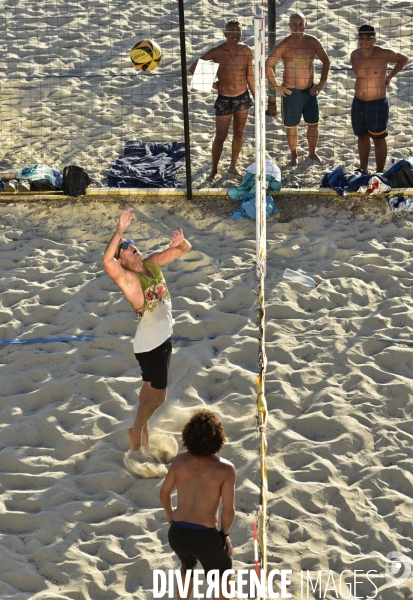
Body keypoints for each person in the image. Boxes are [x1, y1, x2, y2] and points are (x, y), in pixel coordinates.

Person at [102, 208, 191, 452]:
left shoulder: (152, 265)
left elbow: (185, 250)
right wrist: (120, 229)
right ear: (122, 262)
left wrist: (181, 242)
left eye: (131, 242)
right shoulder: (128, 280)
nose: (132, 245)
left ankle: (143, 432)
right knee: (159, 397)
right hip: (154, 345)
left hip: (150, 343)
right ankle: (135, 430)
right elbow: (106, 261)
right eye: (125, 247)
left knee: (149, 390)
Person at [160, 409, 236, 600]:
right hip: (205, 536)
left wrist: (170, 514)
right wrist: (224, 535)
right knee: (223, 573)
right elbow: (228, 512)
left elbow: (164, 492)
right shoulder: (226, 469)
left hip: (177, 534)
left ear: (188, 435)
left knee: (187, 567)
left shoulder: (178, 461)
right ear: (217, 438)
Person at [189, 18, 255, 182]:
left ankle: (232, 166)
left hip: (242, 98)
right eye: (231, 31)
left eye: (237, 31)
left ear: (241, 33)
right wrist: (211, 83)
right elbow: (193, 67)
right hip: (224, 99)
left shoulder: (247, 51)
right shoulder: (217, 51)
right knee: (220, 136)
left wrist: (257, 96)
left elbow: (250, 76)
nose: (235, 34)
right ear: (225, 34)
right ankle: (214, 169)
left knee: (239, 133)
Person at [265, 12, 330, 166]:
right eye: (294, 24)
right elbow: (268, 65)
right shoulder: (284, 44)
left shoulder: (312, 42)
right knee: (292, 126)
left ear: (306, 24)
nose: (298, 27)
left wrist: (321, 83)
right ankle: (294, 155)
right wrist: (276, 87)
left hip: (310, 90)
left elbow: (326, 61)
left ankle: (312, 153)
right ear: (289, 26)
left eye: (301, 24)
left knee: (313, 124)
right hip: (291, 92)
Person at [351, 24, 408, 174]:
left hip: (377, 103)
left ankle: (379, 172)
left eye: (367, 38)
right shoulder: (354, 55)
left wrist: (390, 76)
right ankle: (363, 169)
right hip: (358, 102)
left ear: (374, 40)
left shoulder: (384, 54)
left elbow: (403, 58)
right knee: (361, 136)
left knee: (378, 139)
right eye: (361, 38)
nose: (364, 41)